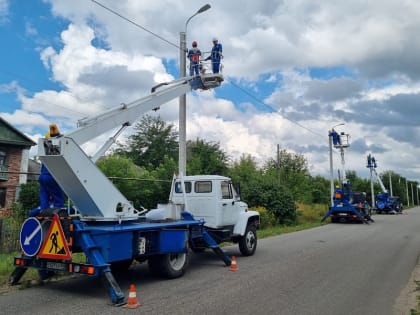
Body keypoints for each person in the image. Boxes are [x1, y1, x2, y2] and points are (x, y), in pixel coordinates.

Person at [29, 124, 65, 217]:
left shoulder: (45, 153)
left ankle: (36, 213)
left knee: (44, 201)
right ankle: (58, 213)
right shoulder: (56, 152)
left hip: (42, 177)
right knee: (58, 199)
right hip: (51, 177)